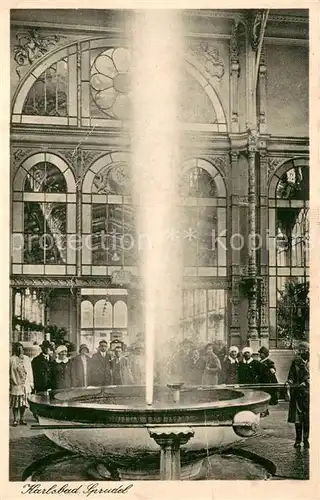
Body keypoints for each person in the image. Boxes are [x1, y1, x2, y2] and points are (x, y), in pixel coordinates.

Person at [286, 341, 309, 449]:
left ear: (307, 350)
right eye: (299, 350)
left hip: (309, 395)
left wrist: (308, 382)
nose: (300, 352)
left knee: (308, 418)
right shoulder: (295, 362)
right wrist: (289, 382)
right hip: (297, 394)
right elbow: (291, 376)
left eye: (302, 350)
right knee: (297, 419)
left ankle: (306, 440)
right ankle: (298, 440)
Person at [9, 342, 34, 426]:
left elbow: (30, 371)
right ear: (15, 350)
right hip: (15, 385)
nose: (21, 351)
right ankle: (15, 419)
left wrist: (31, 382)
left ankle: (22, 418)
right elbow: (8, 372)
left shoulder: (26, 359)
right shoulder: (11, 359)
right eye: (18, 349)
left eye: (22, 349)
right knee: (16, 404)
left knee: (23, 403)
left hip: (25, 385)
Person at [258, 346, 278, 414]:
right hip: (261, 381)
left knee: (265, 397)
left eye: (262, 353)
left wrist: (272, 370)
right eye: (260, 353)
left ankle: (265, 411)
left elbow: (273, 370)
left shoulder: (269, 362)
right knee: (261, 397)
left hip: (267, 381)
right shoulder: (260, 361)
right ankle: (263, 411)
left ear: (265, 354)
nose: (260, 355)